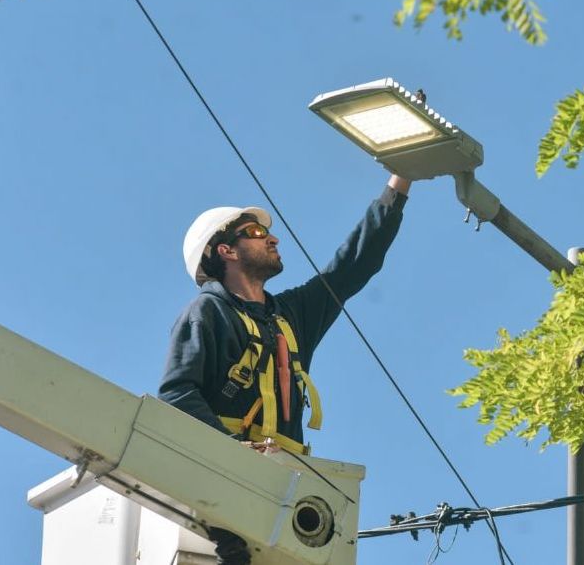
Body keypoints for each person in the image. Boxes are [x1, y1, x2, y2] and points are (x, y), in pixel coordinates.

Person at [158, 174, 412, 564]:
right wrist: (231, 452)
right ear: (225, 250)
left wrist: (400, 182)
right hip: (228, 491)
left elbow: (353, 265)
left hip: (283, 487)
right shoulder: (207, 312)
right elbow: (177, 394)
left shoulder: (290, 316)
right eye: (256, 232)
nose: (273, 239)